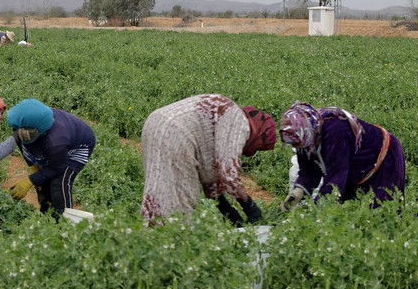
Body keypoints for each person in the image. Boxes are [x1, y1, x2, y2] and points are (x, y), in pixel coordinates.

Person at [139, 94, 276, 225]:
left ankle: (151, 238)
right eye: (258, 148)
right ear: (258, 132)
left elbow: (209, 173)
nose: (252, 152)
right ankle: (175, 241)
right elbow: (228, 172)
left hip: (155, 124)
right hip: (176, 134)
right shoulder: (240, 121)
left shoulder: (227, 117)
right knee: (182, 202)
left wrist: (228, 211)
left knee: (158, 192)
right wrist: (250, 206)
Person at [279, 102, 405, 210]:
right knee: (357, 216)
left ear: (307, 132)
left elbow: (335, 180)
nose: (296, 147)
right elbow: (308, 171)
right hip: (357, 167)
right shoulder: (305, 139)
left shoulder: (336, 131)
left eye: (297, 143)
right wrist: (298, 192)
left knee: (385, 211)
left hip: (385, 157)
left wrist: (316, 211)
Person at [6, 99, 96, 219]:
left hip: (78, 147)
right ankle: (45, 220)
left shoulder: (57, 142)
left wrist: (30, 180)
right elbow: (22, 144)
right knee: (42, 183)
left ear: (39, 131)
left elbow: (57, 168)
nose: (19, 134)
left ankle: (63, 223)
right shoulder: (23, 126)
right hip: (54, 146)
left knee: (58, 182)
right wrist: (34, 169)